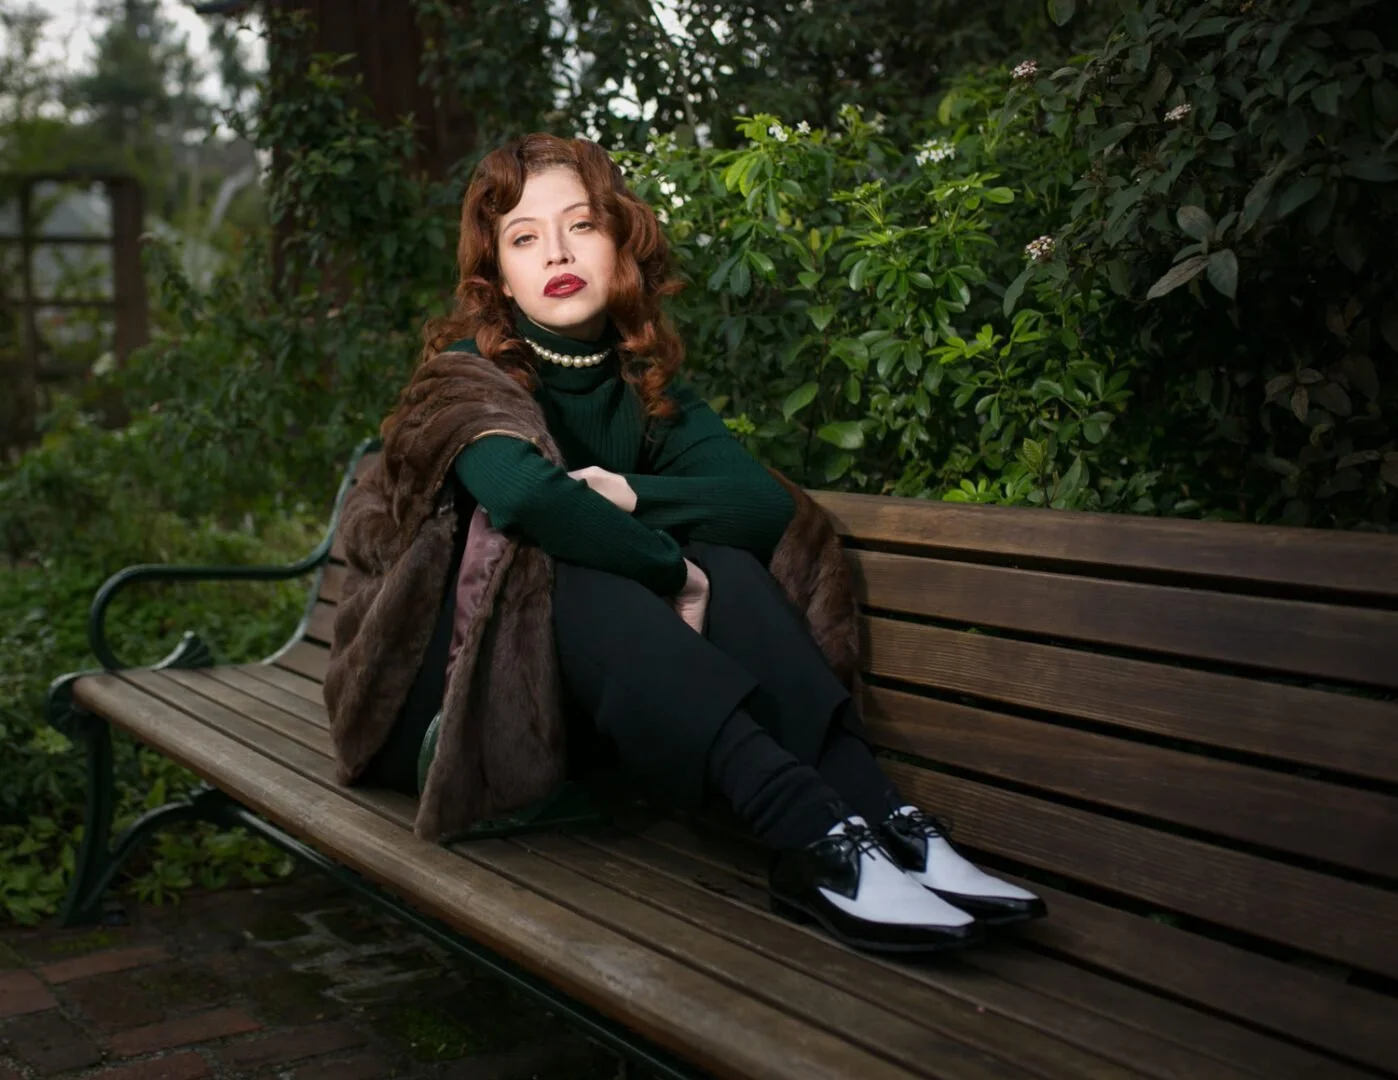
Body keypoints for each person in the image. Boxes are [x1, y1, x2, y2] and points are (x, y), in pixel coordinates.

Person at [325, 133, 1043, 956]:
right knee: (570, 564)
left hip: (579, 711)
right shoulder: (463, 378)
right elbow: (529, 498)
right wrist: (672, 569)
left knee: (727, 565)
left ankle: (882, 818)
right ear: (499, 276)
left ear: (621, 241)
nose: (557, 252)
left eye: (581, 225)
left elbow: (759, 506)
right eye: (524, 238)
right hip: (444, 714)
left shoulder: (645, 385)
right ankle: (808, 832)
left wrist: (630, 493)